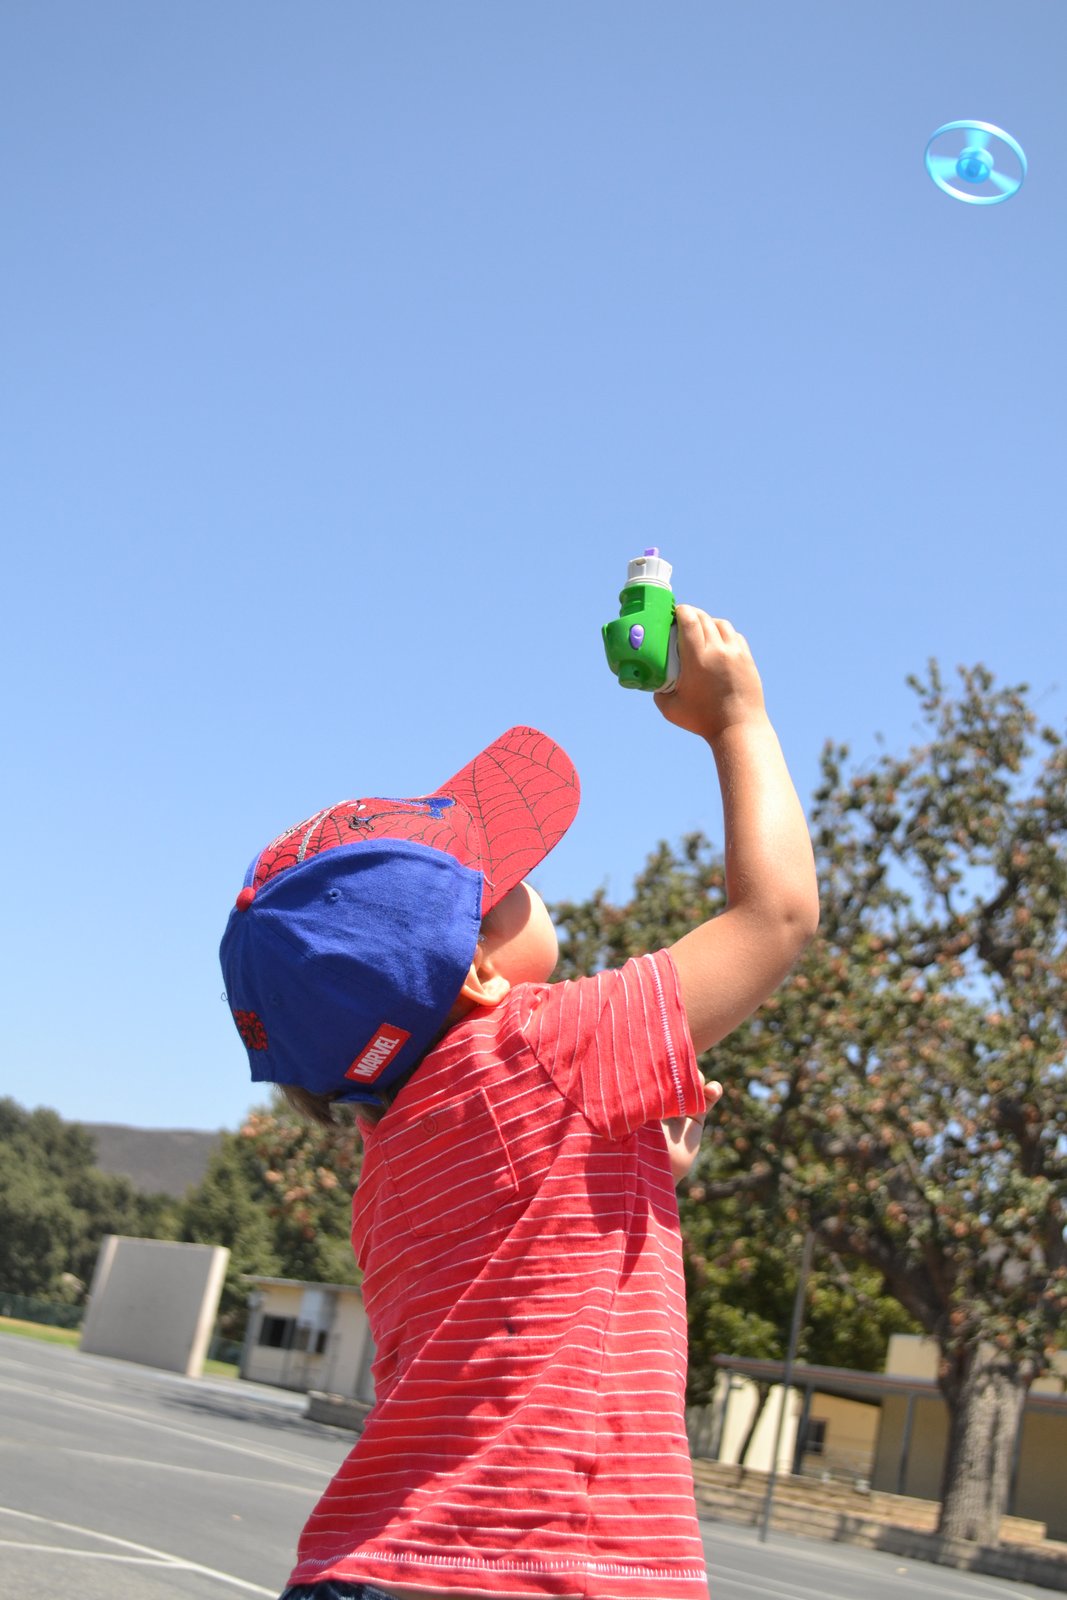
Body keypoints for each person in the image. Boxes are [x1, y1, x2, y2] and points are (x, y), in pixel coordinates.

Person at [220, 605, 818, 1600]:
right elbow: (776, 916)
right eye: (509, 881)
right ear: (480, 973)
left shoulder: (390, 1164)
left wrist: (629, 1176)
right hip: (532, 1567)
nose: (537, 881)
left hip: (367, 1565)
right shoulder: (545, 1048)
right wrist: (735, 720)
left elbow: (508, 1298)